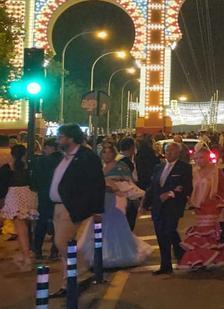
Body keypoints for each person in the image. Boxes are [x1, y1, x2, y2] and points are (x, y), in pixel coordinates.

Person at [49, 124, 106, 291]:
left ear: (71, 138)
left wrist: (96, 209)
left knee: (62, 242)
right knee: (62, 247)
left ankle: (82, 272)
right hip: (57, 206)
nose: (58, 140)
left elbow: (96, 184)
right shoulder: (64, 157)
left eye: (61, 136)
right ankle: (68, 283)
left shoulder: (86, 157)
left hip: (71, 206)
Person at [81, 142, 150, 269]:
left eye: (109, 152)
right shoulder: (99, 167)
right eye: (104, 152)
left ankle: (116, 254)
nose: (107, 155)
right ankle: (98, 255)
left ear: (114, 153)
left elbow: (128, 184)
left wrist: (114, 187)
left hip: (114, 201)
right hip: (100, 201)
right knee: (97, 228)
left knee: (113, 227)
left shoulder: (121, 166)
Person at [180, 145, 224, 270]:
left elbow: (223, 189)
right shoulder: (194, 172)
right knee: (202, 234)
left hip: (213, 207)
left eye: (201, 158)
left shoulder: (216, 171)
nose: (198, 161)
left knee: (208, 234)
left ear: (207, 158)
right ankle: (205, 258)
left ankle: (209, 258)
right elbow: (191, 189)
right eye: (196, 158)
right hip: (199, 207)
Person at [145, 142, 192, 275]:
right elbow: (152, 187)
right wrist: (144, 204)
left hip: (173, 206)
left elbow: (186, 187)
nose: (169, 153)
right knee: (161, 235)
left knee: (169, 230)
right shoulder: (158, 167)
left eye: (172, 151)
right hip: (158, 206)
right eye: (167, 151)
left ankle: (181, 254)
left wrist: (171, 193)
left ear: (178, 152)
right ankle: (166, 264)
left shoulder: (184, 168)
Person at [1, 144, 37, 271]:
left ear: (12, 154)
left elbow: (2, 186)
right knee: (25, 228)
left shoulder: (7, 168)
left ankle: (26, 257)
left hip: (14, 196)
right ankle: (26, 254)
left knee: (20, 229)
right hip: (28, 195)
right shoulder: (30, 167)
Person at [30, 139, 61, 261]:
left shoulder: (42, 161)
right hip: (59, 196)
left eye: (46, 147)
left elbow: (36, 180)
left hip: (44, 194)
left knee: (41, 223)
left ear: (51, 148)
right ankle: (54, 251)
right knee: (57, 223)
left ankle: (37, 250)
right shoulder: (63, 160)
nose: (44, 150)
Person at [116, 137, 142, 231]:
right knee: (128, 225)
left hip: (117, 198)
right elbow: (129, 181)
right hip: (127, 197)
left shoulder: (117, 158)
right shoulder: (126, 162)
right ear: (132, 148)